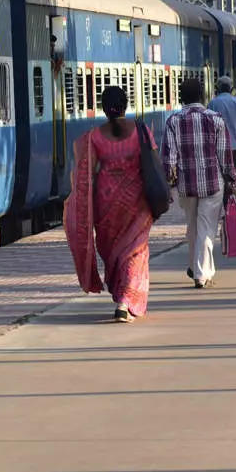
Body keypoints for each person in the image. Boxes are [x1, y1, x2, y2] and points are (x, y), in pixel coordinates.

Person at [64, 85, 154, 323]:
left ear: (103, 108)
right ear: (126, 105)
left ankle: (120, 295)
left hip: (105, 203)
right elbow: (153, 161)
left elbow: (84, 172)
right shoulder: (141, 130)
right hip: (137, 202)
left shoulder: (93, 136)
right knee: (134, 251)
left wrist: (80, 205)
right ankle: (125, 301)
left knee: (112, 250)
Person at [164, 79, 234, 288]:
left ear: (181, 97)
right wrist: (231, 179)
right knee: (206, 228)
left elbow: (169, 158)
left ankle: (197, 268)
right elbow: (224, 154)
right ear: (203, 96)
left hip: (186, 185)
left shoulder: (173, 121)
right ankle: (201, 275)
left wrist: (168, 183)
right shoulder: (216, 119)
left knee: (192, 227)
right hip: (213, 182)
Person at [207, 75, 236, 183]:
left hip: (218, 148)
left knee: (222, 176)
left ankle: (226, 197)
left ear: (217, 89)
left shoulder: (212, 104)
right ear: (231, 89)